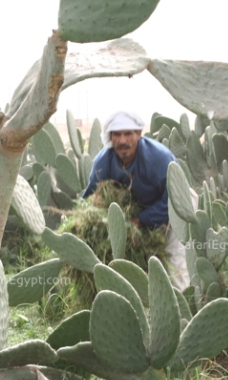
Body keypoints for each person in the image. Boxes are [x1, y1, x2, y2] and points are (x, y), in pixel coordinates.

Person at [82, 111, 193, 290]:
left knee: (175, 257)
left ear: (139, 134)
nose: (123, 141)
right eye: (117, 134)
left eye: (128, 134)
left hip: (179, 203)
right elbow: (90, 194)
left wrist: (140, 220)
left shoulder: (158, 158)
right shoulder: (103, 161)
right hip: (146, 205)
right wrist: (80, 218)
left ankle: (181, 307)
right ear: (110, 137)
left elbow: (172, 199)